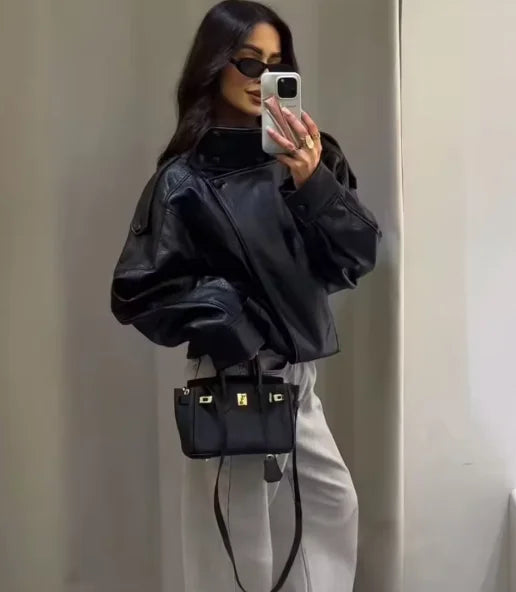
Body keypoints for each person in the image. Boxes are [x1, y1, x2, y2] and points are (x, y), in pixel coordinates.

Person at [110, 1, 381, 590]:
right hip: (234, 375)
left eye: (278, 65)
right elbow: (138, 289)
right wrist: (238, 323)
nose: (265, 78)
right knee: (236, 547)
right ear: (215, 66)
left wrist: (313, 183)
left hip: (298, 379)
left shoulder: (314, 158)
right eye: (250, 62)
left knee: (330, 511)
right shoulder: (183, 180)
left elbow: (355, 257)